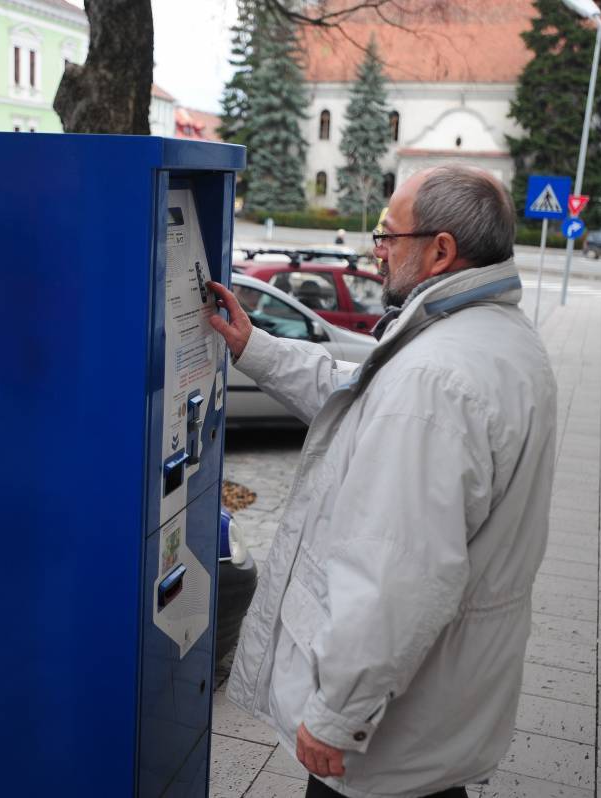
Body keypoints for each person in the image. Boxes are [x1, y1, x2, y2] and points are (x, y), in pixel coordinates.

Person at [208, 165, 557, 798]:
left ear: (440, 251)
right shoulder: (496, 339)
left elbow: (399, 574)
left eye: (387, 235)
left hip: (388, 745)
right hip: (444, 716)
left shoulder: (435, 381)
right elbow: (359, 393)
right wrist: (254, 347)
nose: (376, 249)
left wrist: (339, 715)